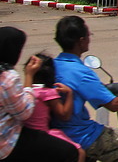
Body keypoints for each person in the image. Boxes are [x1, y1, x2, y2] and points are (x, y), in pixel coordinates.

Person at [53, 15, 118, 162]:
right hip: (80, 134)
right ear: (81, 40)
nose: (90, 38)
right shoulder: (82, 72)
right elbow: (114, 105)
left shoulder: (52, 65)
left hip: (55, 130)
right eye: (88, 34)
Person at [0, 27, 79, 162]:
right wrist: (29, 77)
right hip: (6, 141)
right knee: (70, 152)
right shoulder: (7, 78)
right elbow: (24, 112)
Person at [24, 53, 86, 162]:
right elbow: (64, 115)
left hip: (24, 136)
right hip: (42, 134)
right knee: (79, 152)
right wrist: (70, 94)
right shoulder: (47, 93)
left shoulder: (23, 91)